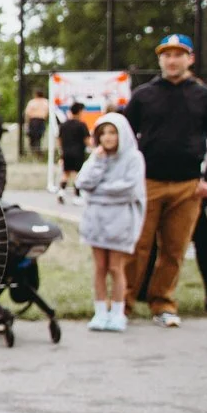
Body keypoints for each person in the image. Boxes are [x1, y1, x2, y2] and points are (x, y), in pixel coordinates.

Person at [121, 34, 207, 328]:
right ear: (160, 59)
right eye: (167, 55)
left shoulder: (204, 96)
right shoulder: (144, 94)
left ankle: (163, 303)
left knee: (174, 249)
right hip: (147, 182)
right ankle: (122, 303)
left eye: (179, 54)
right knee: (138, 246)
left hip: (187, 185)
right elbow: (125, 137)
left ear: (190, 59)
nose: (172, 60)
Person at [76, 114, 144, 332]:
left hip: (120, 220)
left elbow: (129, 189)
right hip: (96, 219)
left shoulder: (133, 158)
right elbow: (82, 182)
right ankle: (100, 311)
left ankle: (117, 312)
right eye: (103, 133)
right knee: (100, 267)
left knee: (115, 267)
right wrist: (98, 162)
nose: (108, 137)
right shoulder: (97, 157)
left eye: (112, 132)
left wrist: (98, 192)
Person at [57, 102, 90, 203]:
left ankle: (61, 192)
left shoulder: (64, 125)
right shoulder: (82, 125)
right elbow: (87, 140)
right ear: (79, 111)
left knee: (65, 173)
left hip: (66, 152)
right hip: (78, 152)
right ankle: (77, 196)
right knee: (77, 174)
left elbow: (59, 139)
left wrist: (61, 150)